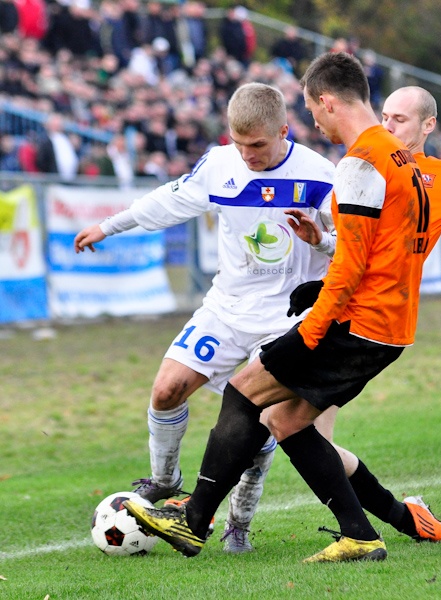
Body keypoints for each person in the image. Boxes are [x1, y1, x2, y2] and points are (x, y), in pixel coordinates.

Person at [122, 51, 436, 563]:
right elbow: (383, 247)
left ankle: (195, 519)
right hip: (384, 323)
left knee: (247, 393)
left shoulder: (359, 162)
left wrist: (313, 324)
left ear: (327, 103)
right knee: (286, 421)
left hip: (358, 322)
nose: (313, 121)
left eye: (313, 110)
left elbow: (359, 261)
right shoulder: (395, 158)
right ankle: (367, 531)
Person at [74, 82, 338, 551]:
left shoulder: (321, 177)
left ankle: (239, 525)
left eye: (257, 145)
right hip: (226, 306)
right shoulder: (220, 165)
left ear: (283, 130)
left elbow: (356, 248)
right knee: (165, 389)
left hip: (286, 318)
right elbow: (167, 201)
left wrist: (320, 241)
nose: (247, 155)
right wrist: (109, 226)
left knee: (257, 425)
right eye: (238, 144)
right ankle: (164, 480)